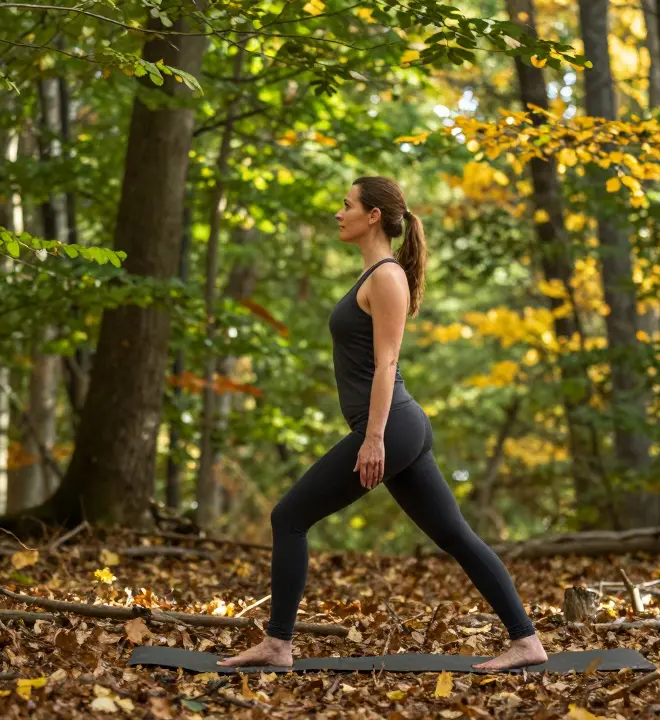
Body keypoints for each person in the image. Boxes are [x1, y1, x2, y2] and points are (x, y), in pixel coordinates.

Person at [218, 177, 547, 672]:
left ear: (373, 216)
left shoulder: (387, 277)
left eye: (346, 204)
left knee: (288, 517)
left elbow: (387, 364)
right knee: (456, 535)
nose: (338, 213)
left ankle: (278, 644)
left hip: (392, 426)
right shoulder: (371, 276)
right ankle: (527, 640)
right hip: (397, 427)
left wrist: (372, 439)